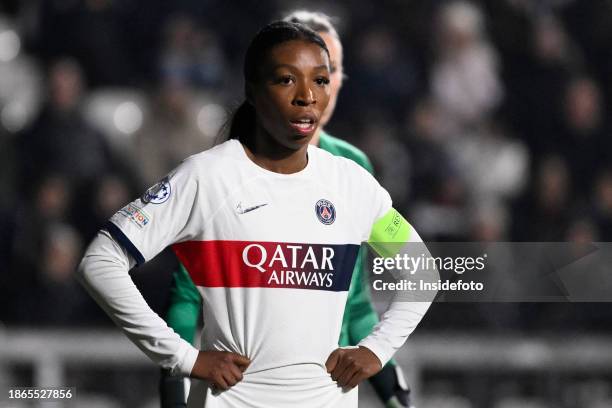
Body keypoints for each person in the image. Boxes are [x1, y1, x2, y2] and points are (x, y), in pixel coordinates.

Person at [77, 21, 432, 407]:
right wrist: (183, 357)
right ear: (252, 90)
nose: (306, 96)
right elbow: (100, 261)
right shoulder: (207, 177)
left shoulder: (351, 184)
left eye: (320, 80)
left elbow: (421, 272)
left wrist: (376, 350)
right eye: (285, 80)